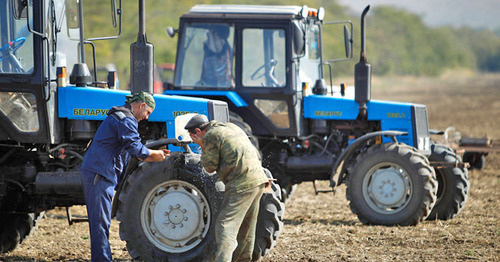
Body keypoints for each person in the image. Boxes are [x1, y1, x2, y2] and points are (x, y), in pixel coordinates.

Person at [81, 91, 170, 261]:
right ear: (142, 105)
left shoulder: (121, 116)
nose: (147, 118)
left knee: (101, 222)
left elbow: (126, 154)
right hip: (99, 174)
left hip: (101, 172)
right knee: (100, 222)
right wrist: (155, 154)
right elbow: (136, 150)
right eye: (148, 113)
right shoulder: (126, 119)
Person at [184, 114, 269, 262]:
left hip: (241, 184)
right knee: (247, 226)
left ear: (198, 131)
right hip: (259, 180)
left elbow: (209, 167)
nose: (193, 140)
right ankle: (244, 259)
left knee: (225, 225)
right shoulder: (231, 127)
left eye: (192, 136)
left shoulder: (211, 135)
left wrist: (202, 146)